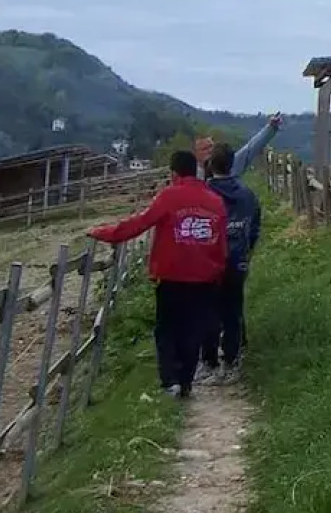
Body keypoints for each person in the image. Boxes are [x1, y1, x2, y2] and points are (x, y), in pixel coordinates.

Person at [87, 150, 227, 398]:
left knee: (167, 328)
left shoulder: (169, 197)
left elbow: (139, 223)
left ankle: (170, 382)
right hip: (204, 278)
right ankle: (185, 382)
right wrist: (216, 273)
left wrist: (103, 233)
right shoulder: (215, 201)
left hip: (172, 276)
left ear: (173, 173)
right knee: (192, 330)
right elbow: (220, 244)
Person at [196, 141, 262, 385]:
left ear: (210, 166)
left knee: (208, 313)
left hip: (208, 263)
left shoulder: (203, 195)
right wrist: (247, 249)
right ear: (232, 163)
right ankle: (232, 363)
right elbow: (255, 225)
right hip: (237, 260)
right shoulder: (247, 195)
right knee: (233, 311)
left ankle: (209, 363)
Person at [195, 114, 283, 181]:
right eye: (205, 149)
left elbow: (249, 149)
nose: (210, 151)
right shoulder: (190, 175)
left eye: (211, 147)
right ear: (195, 153)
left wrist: (270, 128)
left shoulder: (230, 165)